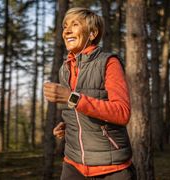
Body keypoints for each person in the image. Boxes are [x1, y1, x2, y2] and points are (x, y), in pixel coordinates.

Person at [43, 7, 136, 180]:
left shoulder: (109, 62)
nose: (67, 30)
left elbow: (122, 113)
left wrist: (71, 97)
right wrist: (69, 124)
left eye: (75, 24)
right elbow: (79, 108)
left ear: (92, 33)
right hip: (72, 164)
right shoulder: (65, 69)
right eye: (65, 26)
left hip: (111, 168)